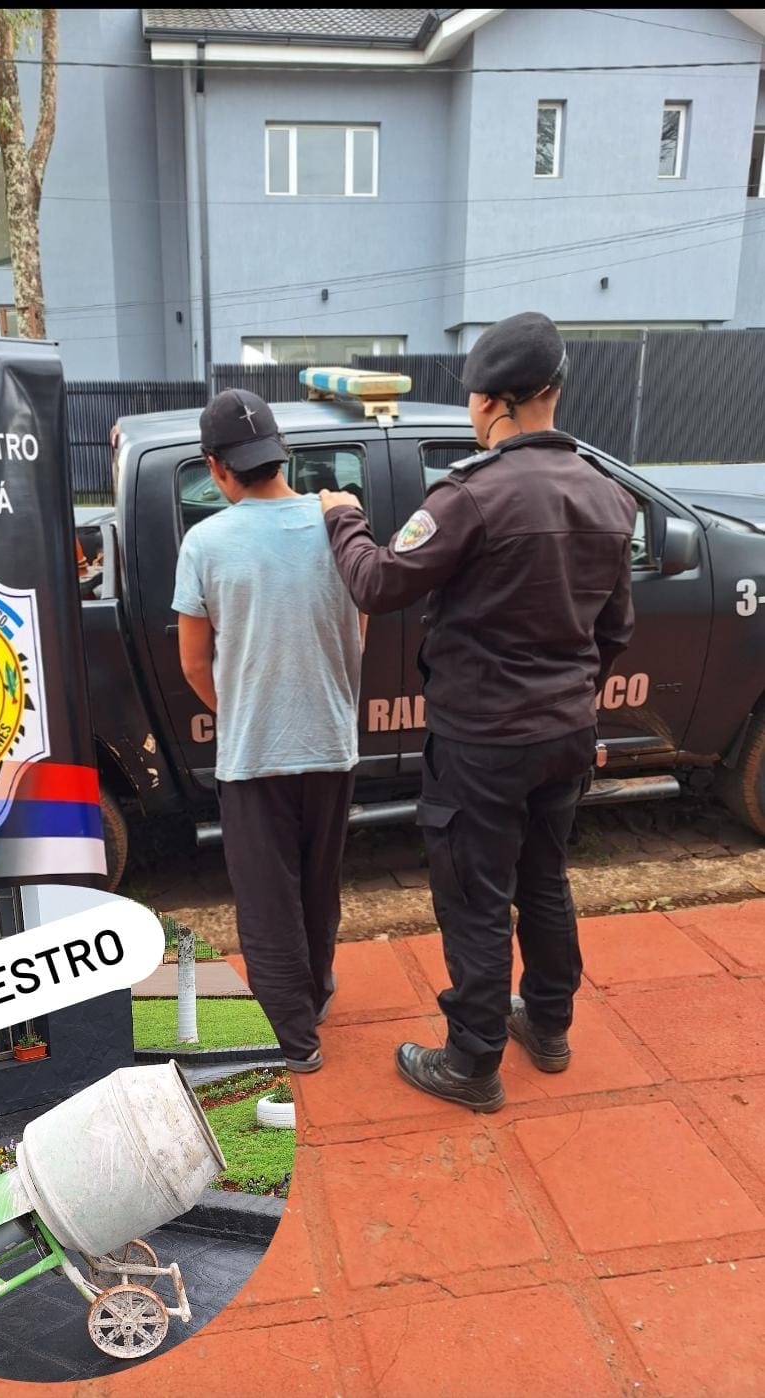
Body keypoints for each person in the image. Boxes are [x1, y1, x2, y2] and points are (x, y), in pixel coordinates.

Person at [319, 311, 636, 1112]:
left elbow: (378, 583)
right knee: (545, 879)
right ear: (552, 391)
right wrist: (568, 694)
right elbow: (615, 630)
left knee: (475, 894)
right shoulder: (609, 495)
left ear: (492, 402)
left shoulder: (471, 494)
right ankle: (550, 1026)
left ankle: (471, 1061)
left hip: (484, 741)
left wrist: (343, 518)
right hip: (566, 732)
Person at [172, 388, 364, 1072]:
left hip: (254, 751)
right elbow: (358, 632)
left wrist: (243, 707)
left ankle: (293, 1039)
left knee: (266, 899)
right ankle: (315, 992)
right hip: (332, 743)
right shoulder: (339, 523)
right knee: (317, 882)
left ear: (215, 467)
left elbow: (194, 661)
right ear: (281, 454)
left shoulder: (205, 542)